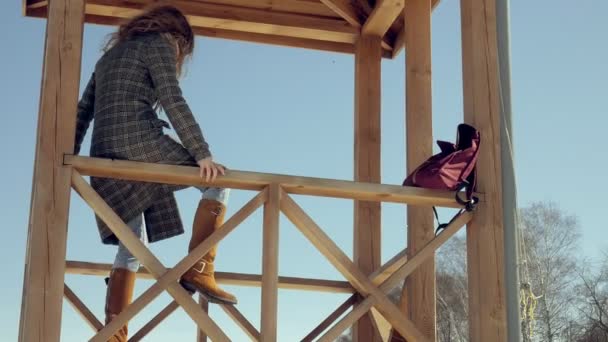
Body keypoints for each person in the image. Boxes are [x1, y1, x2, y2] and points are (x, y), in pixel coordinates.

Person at [73, 5, 236, 341]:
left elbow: (82, 113)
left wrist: (69, 161)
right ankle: (199, 270)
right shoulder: (161, 43)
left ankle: (115, 331)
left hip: (103, 154)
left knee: (131, 242)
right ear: (179, 37)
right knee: (218, 183)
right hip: (140, 143)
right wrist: (201, 153)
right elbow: (172, 98)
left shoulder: (108, 58)